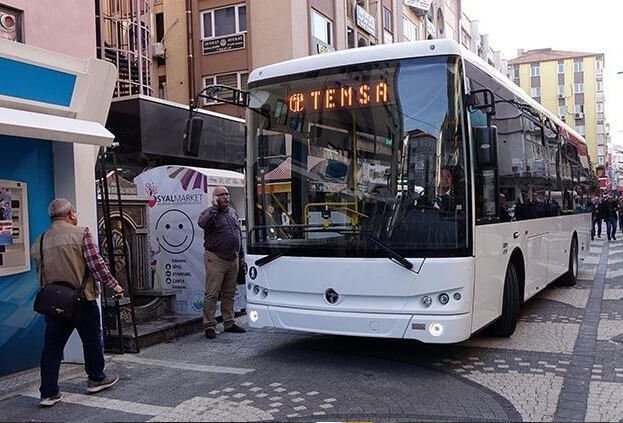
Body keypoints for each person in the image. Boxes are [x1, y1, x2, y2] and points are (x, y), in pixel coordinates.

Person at [31, 199, 124, 407]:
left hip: (56, 302)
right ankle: (96, 378)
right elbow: (96, 264)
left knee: (52, 348)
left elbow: (41, 274)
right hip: (83, 298)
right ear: (71, 214)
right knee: (91, 340)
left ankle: (48, 392)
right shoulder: (81, 233)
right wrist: (114, 285)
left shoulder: (41, 240)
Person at [198, 186, 246, 340]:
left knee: (229, 293)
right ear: (215, 197)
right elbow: (203, 224)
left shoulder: (232, 212)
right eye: (222, 195)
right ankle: (209, 325)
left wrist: (242, 255)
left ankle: (229, 322)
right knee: (212, 293)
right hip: (216, 258)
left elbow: (237, 234)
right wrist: (214, 208)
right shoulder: (209, 213)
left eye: (227, 194)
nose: (226, 197)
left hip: (233, 258)